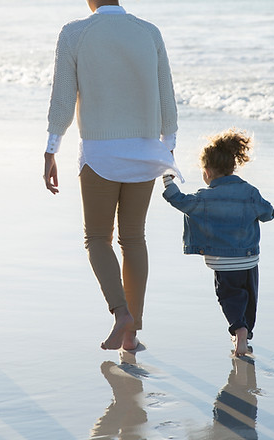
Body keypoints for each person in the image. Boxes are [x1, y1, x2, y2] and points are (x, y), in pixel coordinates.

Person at [43, 0, 181, 350]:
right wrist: (168, 145)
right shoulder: (149, 32)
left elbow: (62, 97)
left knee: (98, 238)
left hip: (100, 151)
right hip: (145, 150)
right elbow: (167, 96)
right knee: (134, 238)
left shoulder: (74, 33)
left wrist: (51, 147)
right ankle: (131, 336)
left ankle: (121, 313)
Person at [161, 129, 274, 357]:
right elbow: (269, 214)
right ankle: (246, 331)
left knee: (229, 296)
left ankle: (238, 329)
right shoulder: (250, 192)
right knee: (249, 296)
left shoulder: (203, 197)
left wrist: (167, 180)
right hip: (248, 259)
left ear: (208, 172)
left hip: (222, 263)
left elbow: (179, 200)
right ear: (232, 167)